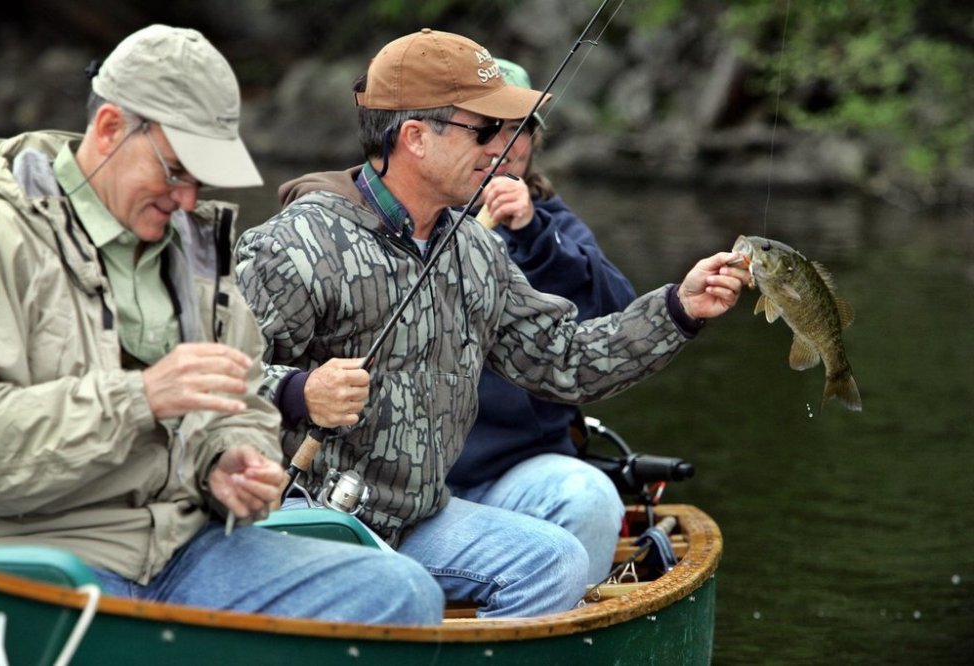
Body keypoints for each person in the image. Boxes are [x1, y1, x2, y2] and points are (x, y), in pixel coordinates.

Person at [235, 29, 749, 618]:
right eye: (484, 130)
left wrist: (679, 309)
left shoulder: (475, 251)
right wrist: (300, 391)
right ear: (415, 138)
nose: (501, 148)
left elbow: (565, 360)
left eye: (508, 129)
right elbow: (211, 380)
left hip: (418, 519)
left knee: (556, 561)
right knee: (393, 589)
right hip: (304, 518)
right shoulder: (297, 244)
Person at [0, 24, 443, 626]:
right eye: (176, 171)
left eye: (201, 181)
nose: (189, 201)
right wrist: (141, 398)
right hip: (37, 557)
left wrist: (229, 461)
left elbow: (243, 404)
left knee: (403, 591)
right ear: (110, 128)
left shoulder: (195, 250)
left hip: (183, 548)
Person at [445, 58, 635, 585]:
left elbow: (619, 316)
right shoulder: (414, 215)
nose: (505, 143)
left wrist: (533, 235)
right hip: (407, 477)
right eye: (488, 126)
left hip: (516, 470)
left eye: (520, 128)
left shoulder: (552, 223)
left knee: (589, 497)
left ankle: (564, 619)